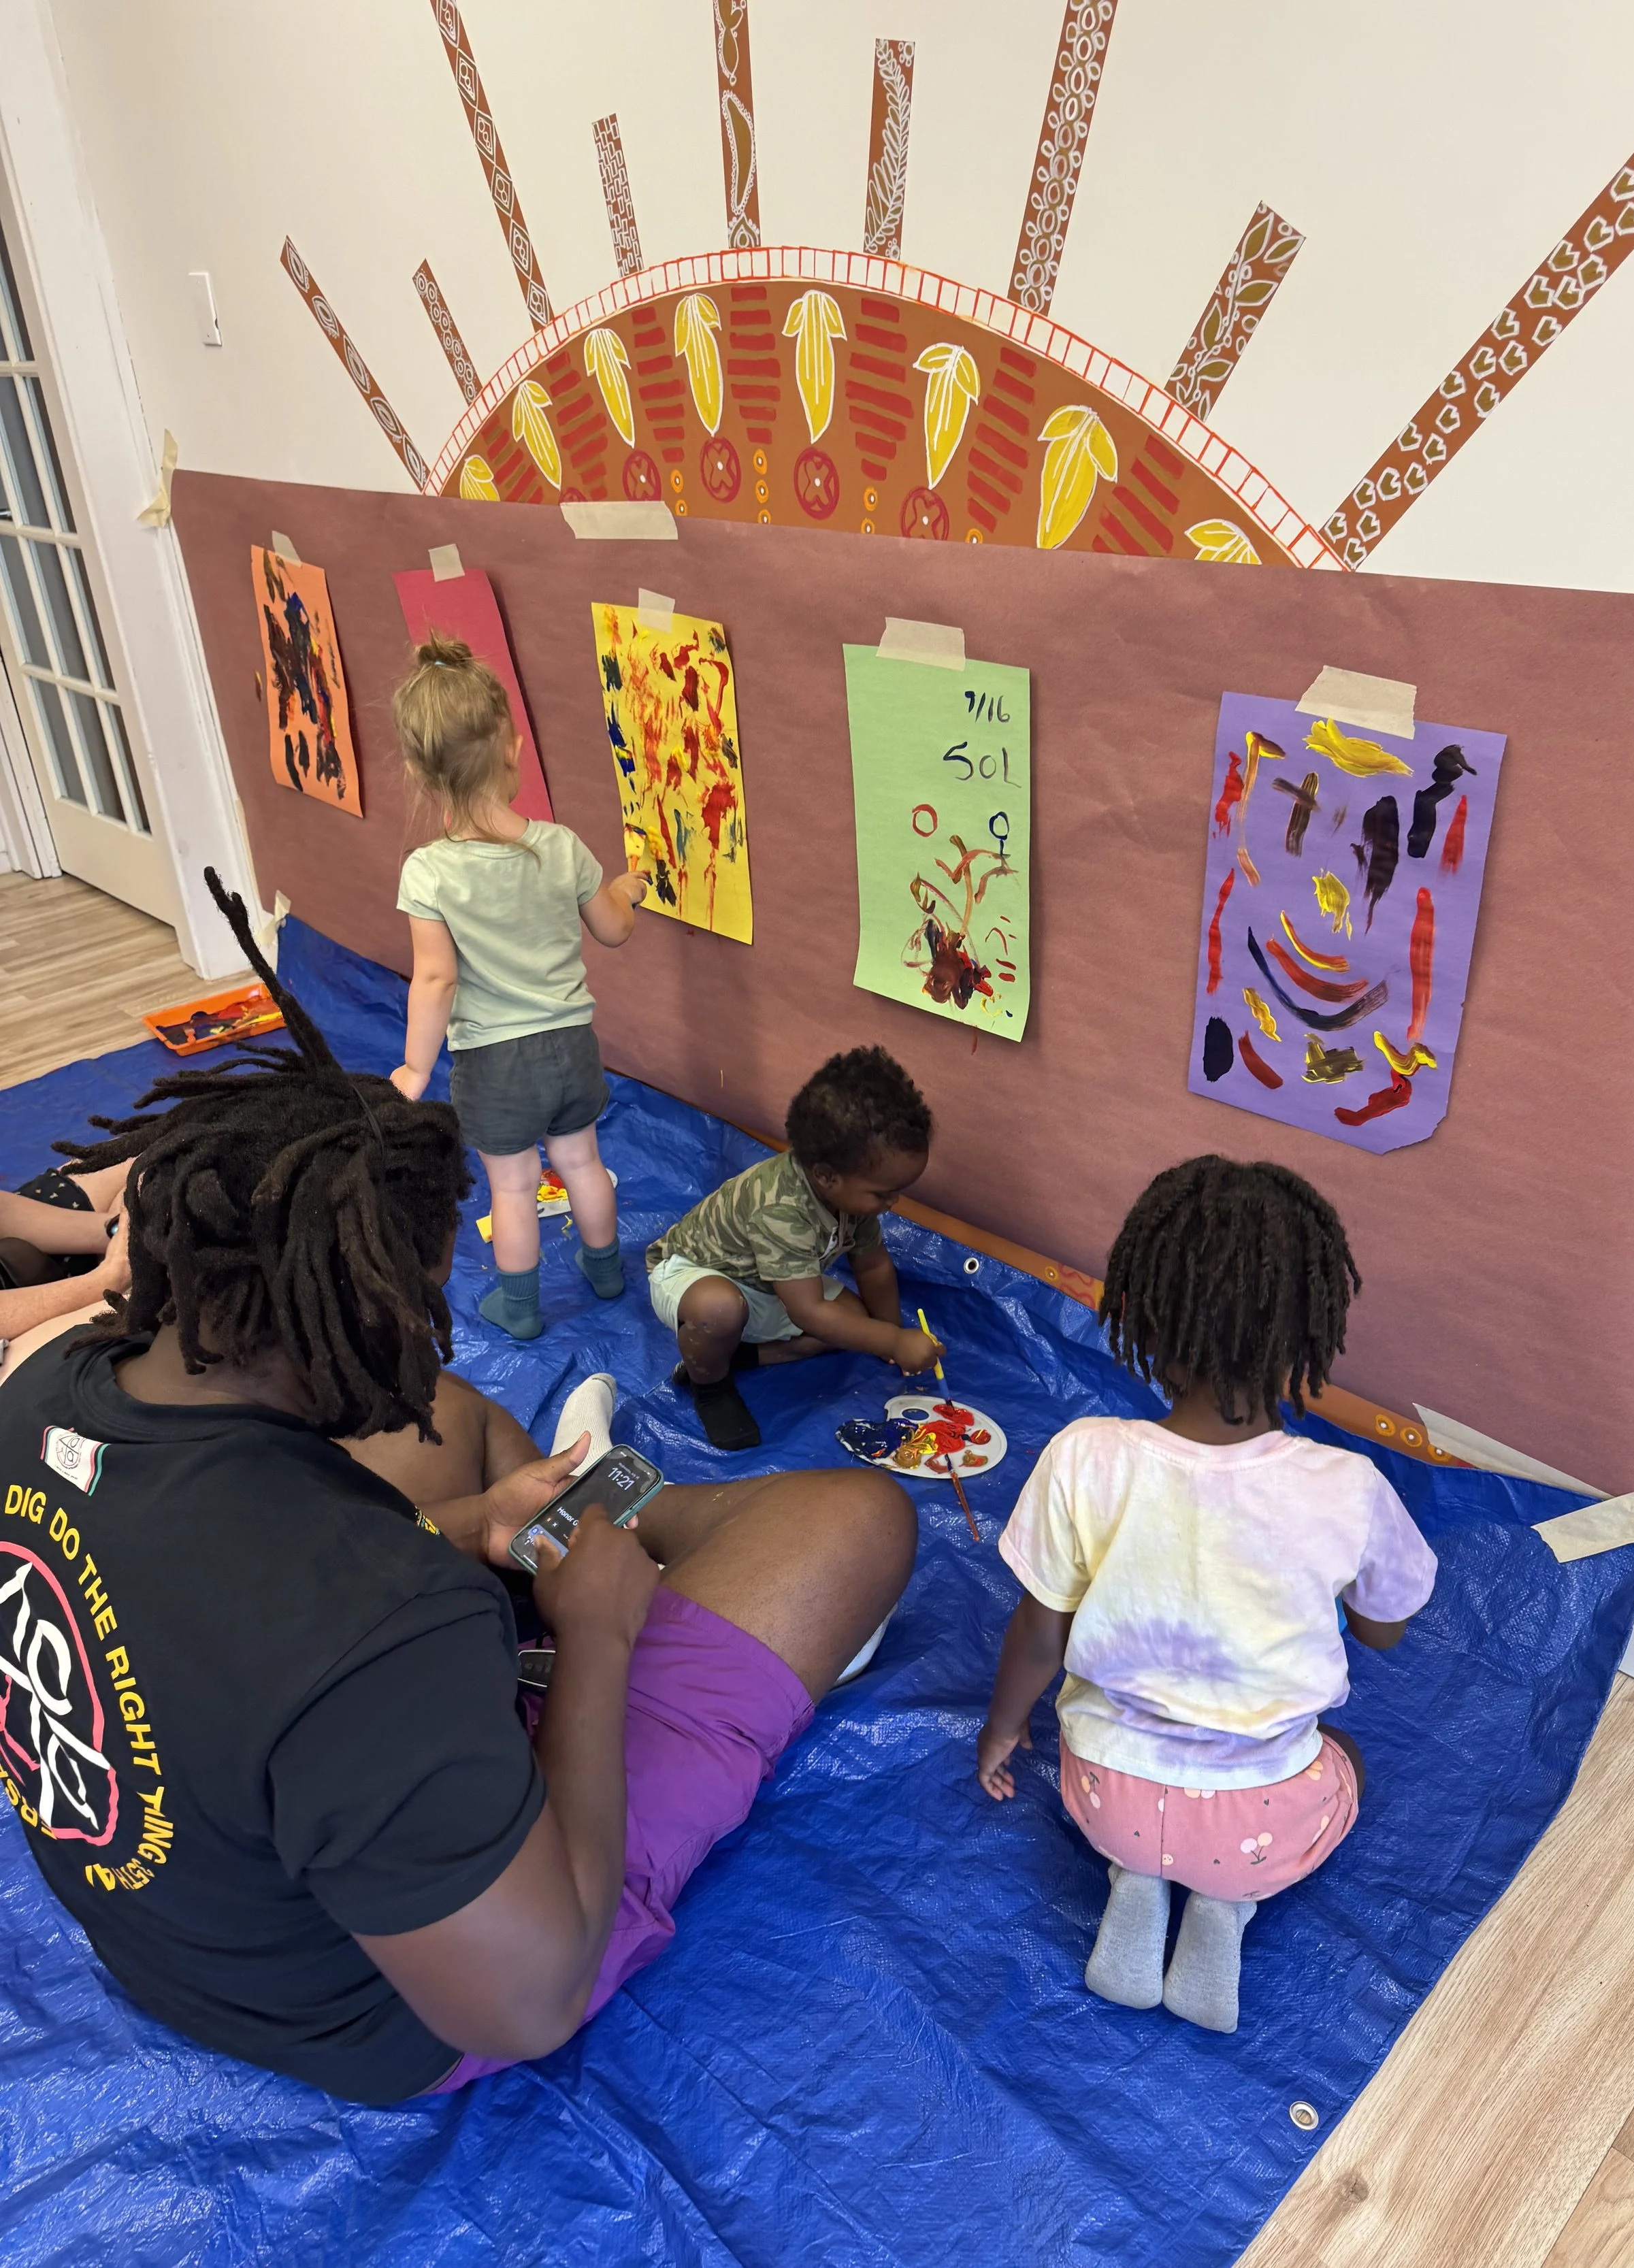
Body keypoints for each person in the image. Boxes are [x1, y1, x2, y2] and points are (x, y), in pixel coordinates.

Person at [0, 872, 913, 2105]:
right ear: (365, 1308)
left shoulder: (45, 1382)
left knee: (457, 1437)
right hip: (392, 2014)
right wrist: (590, 1639)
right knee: (858, 1517)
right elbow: (531, 2000)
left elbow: (218, 1614)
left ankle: (586, 1516)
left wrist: (465, 1525)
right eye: (421, 1306)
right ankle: (628, 1546)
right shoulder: (374, 1623)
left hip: (182, 1932)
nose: (432, 1343)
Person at [975, 1155, 1437, 2034]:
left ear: (1148, 1318)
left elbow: (1039, 1631)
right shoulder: (1348, 1485)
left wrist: (1002, 1730)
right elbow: (1385, 1630)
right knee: (1344, 1756)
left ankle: (1135, 1884)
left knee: (1141, 1803)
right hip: (1257, 1825)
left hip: (1107, 1798)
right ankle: (1224, 1912)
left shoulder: (1083, 1454)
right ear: (1311, 1336)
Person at [389, 633, 648, 1339]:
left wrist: (416, 1067)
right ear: (513, 748)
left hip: (495, 1064)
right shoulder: (561, 847)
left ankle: (521, 1307)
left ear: (420, 771)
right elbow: (614, 929)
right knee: (583, 1161)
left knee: (513, 1187)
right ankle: (606, 1272)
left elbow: (436, 977)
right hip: (571, 1046)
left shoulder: (430, 873)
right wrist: (629, 888)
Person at [647, 1046, 943, 1451]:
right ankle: (710, 1386)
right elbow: (809, 1311)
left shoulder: (851, 1196)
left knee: (854, 1325)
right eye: (884, 1194)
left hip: (774, 1284)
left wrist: (889, 1336)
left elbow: (872, 1266)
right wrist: (891, 1342)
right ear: (826, 1176)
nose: (894, 1203)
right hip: (697, 1275)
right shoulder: (780, 1207)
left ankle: (737, 1358)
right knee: (720, 1310)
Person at [0, 1162, 131, 1346]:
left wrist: (116, 1230)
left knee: (151, 1162)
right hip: (14, 1340)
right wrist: (109, 1278)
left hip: (17, 1247)